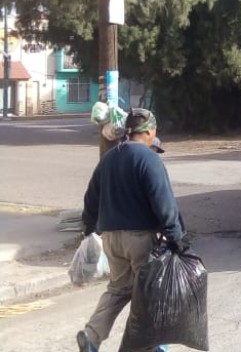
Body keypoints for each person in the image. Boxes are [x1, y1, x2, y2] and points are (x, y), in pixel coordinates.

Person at [77, 108, 187, 352]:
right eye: (154, 131)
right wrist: (176, 235)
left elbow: (90, 197)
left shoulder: (109, 157)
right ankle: (152, 346)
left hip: (110, 238)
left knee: (119, 288)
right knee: (149, 292)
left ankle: (91, 335)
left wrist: (88, 227)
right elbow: (164, 202)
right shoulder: (149, 159)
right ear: (149, 131)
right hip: (139, 238)